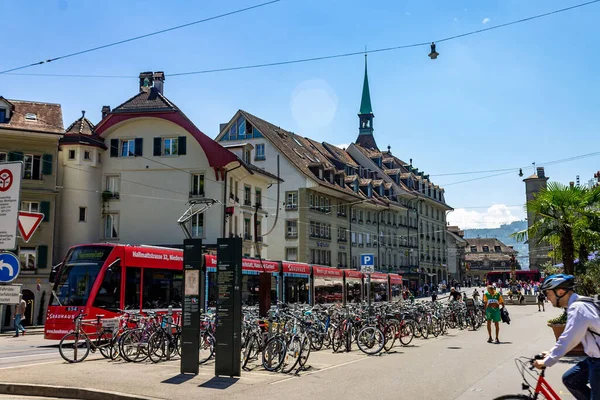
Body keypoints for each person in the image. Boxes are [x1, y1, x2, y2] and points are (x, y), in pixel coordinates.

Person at [533, 274, 600, 399]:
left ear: (560, 291)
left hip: (598, 362)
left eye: (549, 294)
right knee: (570, 379)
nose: (548, 298)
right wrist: (551, 353)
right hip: (594, 359)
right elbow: (569, 336)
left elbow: (569, 338)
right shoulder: (581, 302)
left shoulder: (578, 308)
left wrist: (547, 361)